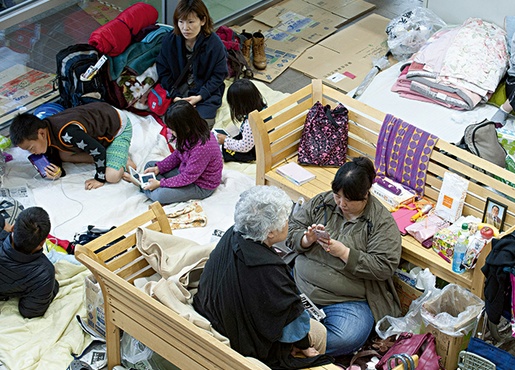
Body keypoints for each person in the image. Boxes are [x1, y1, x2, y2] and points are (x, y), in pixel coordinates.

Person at [193, 186, 331, 369]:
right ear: (270, 233)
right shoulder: (270, 270)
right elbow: (291, 319)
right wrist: (304, 346)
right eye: (286, 221)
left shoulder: (232, 234)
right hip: (239, 343)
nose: (288, 224)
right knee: (319, 333)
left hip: (214, 315)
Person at [287, 157, 402, 356]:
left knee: (348, 336)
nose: (341, 204)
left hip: (345, 300)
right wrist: (306, 238)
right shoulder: (323, 202)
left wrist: (344, 253)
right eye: (337, 196)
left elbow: (384, 266)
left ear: (365, 195)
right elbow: (291, 228)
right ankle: (300, 341)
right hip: (300, 285)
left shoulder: (381, 222)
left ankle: (293, 341)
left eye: (349, 200)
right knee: (258, 292)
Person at [10, 102, 132, 190]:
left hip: (118, 128)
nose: (33, 153)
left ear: (41, 133)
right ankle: (112, 156)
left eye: (32, 148)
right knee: (64, 155)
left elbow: (98, 151)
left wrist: (99, 179)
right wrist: (58, 172)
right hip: (100, 124)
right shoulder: (46, 130)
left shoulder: (67, 132)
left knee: (111, 176)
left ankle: (123, 158)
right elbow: (54, 153)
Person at [156, 0, 228, 130]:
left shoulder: (214, 44)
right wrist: (175, 97)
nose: (185, 28)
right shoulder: (170, 40)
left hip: (204, 90)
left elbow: (219, 75)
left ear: (202, 21)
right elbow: (163, 70)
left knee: (200, 126)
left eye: (190, 22)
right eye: (181, 21)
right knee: (171, 121)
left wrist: (200, 96)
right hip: (178, 89)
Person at [139, 100, 223, 205]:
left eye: (173, 129)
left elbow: (188, 177)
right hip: (185, 171)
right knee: (150, 165)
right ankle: (151, 186)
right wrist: (159, 168)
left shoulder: (202, 147)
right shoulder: (191, 133)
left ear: (185, 128)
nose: (171, 132)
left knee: (160, 196)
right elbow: (178, 155)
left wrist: (161, 183)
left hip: (200, 185)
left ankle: (147, 187)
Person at [0, 207, 58, 318]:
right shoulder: (44, 273)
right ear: (43, 242)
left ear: (12, 228)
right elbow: (30, 311)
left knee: (15, 205)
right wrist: (53, 285)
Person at [216, 79, 267, 163]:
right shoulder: (264, 109)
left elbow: (244, 147)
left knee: (225, 151)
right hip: (261, 141)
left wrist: (225, 140)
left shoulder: (250, 123)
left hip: (254, 151)